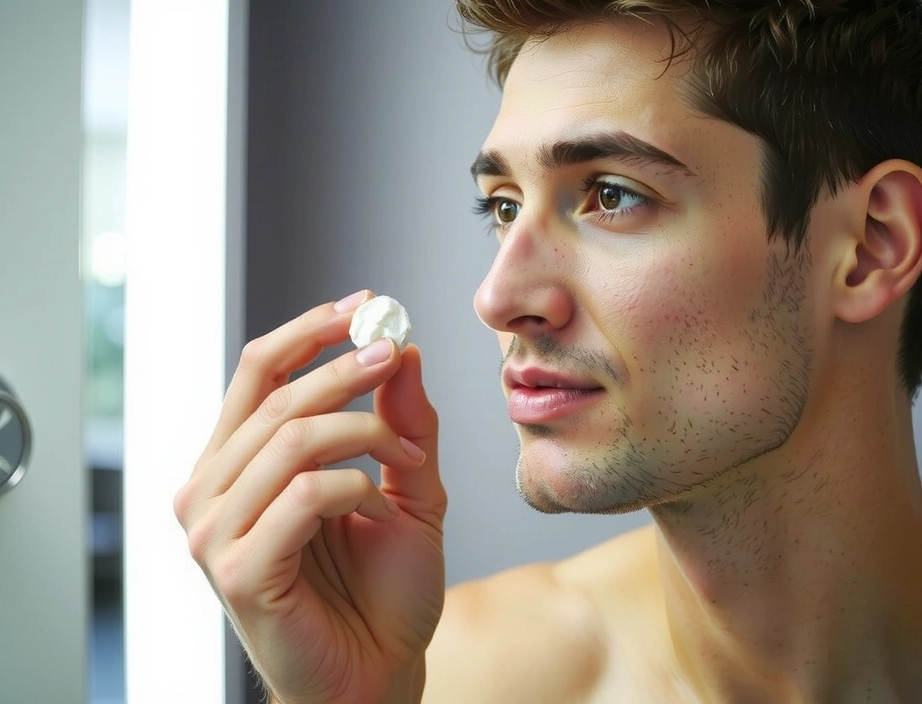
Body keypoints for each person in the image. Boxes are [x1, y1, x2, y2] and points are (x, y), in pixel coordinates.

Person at [173, 0, 922, 701]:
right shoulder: (453, 677)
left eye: (613, 195)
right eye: (504, 206)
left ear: (871, 246)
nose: (496, 298)